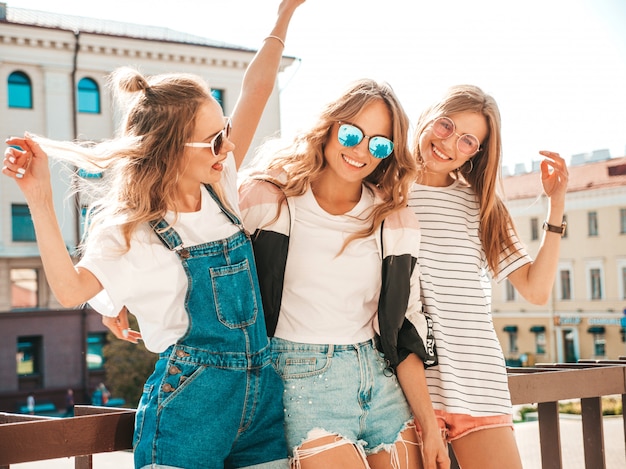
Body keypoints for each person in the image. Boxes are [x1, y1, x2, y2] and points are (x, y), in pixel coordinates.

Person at [2, 1, 304, 467]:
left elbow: (257, 89)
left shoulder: (219, 183)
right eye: (214, 140)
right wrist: (39, 196)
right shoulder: (132, 231)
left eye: (225, 132)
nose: (227, 145)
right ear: (168, 149)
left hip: (261, 396)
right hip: (191, 404)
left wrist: (284, 15)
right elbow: (68, 290)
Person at [238, 79, 449, 469]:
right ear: (331, 126)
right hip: (302, 380)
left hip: (382, 382)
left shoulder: (395, 220)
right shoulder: (269, 199)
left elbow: (405, 327)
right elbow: (203, 255)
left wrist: (430, 426)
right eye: (352, 133)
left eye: (379, 144)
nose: (361, 151)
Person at [408, 84, 568, 469]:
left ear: (476, 153)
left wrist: (557, 203)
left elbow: (536, 289)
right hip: (407, 390)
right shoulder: (384, 191)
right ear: (430, 117)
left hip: (479, 383)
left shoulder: (482, 205)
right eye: (446, 126)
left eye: (466, 141)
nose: (448, 143)